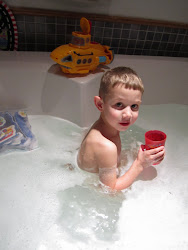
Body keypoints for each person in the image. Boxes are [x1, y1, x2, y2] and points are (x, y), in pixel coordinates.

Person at [77, 67, 165, 191]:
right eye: (119, 104)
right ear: (100, 105)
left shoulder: (107, 127)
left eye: (134, 106)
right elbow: (108, 191)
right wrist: (139, 164)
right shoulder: (106, 146)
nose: (128, 114)